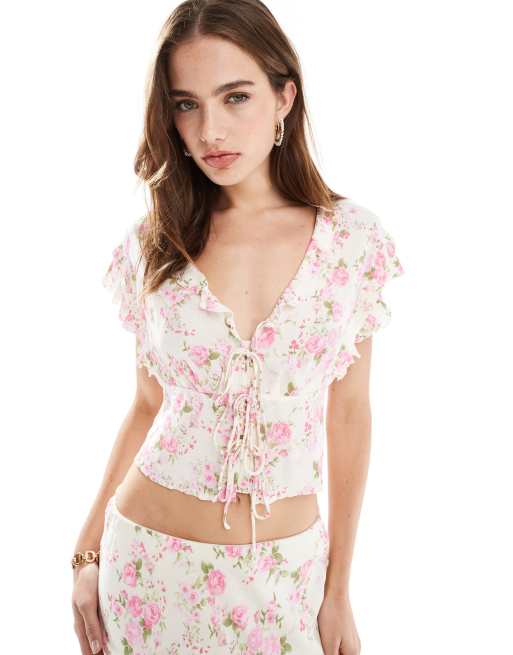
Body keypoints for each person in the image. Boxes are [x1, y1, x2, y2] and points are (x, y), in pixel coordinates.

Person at [70, 1, 405, 654]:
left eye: (235, 96)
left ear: (284, 97)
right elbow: (147, 404)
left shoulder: (351, 244)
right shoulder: (154, 245)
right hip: (146, 572)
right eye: (186, 104)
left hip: (284, 581)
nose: (210, 130)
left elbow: (348, 415)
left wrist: (338, 590)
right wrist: (86, 555)